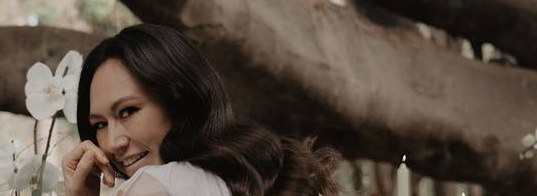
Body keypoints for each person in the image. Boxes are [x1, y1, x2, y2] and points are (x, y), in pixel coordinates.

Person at [61, 24, 341, 196]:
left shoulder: (153, 187)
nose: (112, 143)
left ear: (178, 99)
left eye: (128, 111)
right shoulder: (243, 182)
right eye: (99, 125)